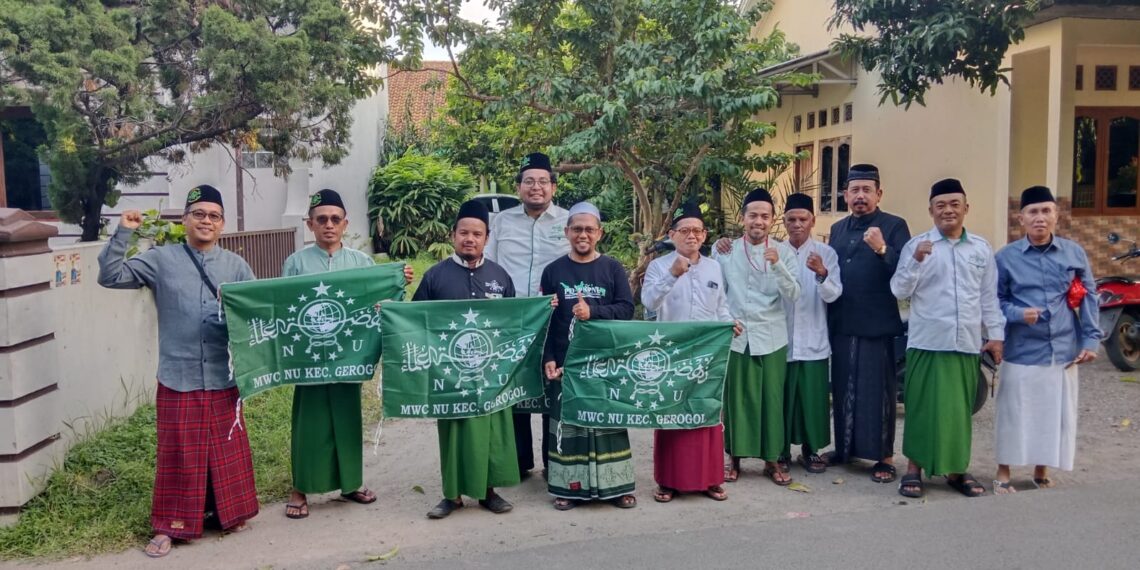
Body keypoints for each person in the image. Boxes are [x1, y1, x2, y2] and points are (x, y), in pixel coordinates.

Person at [98, 185, 258, 558]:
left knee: (226, 447)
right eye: (199, 214)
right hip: (178, 374)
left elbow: (257, 310)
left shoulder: (235, 265)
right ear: (185, 219)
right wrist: (124, 232)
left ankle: (228, 513)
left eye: (214, 216)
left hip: (224, 373)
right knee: (179, 452)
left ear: (222, 224)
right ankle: (170, 526)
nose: (206, 221)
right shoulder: (161, 260)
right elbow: (110, 276)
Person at [281, 189, 414, 519]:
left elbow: (379, 301)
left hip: (347, 356)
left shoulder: (361, 262)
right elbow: (283, 307)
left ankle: (351, 482)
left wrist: (399, 280)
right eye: (321, 219)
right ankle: (301, 486)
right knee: (308, 422)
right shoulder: (296, 262)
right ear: (310, 224)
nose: (329, 225)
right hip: (310, 357)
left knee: (347, 418)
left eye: (335, 219)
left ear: (345, 224)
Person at [890, 179, 1005, 498]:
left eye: (955, 204)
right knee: (921, 408)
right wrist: (916, 261)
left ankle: (957, 470)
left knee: (959, 410)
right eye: (940, 205)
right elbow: (898, 290)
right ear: (930, 211)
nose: (948, 210)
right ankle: (914, 468)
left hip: (965, 343)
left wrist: (995, 336)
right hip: (927, 341)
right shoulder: (918, 246)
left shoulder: (980, 248)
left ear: (966, 208)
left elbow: (988, 298)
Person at [413, 200, 520, 519]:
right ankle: (452, 496)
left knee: (490, 434)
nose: (469, 239)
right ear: (453, 235)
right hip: (450, 374)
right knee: (454, 433)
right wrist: (390, 310)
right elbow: (416, 319)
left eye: (477, 233)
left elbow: (514, 323)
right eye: (463, 233)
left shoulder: (500, 276)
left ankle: (488, 492)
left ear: (487, 238)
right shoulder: (435, 276)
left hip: (490, 375)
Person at [992, 186, 1100, 494]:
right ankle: (1004, 471)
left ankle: (1041, 469)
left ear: (1056, 215)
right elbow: (994, 301)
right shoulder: (1006, 257)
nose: (1040, 218)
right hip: (1022, 348)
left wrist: (1090, 341)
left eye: (1046, 211)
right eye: (1033, 212)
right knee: (1014, 412)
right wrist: (1017, 313)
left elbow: (1089, 295)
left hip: (1062, 347)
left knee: (1053, 412)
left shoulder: (1073, 252)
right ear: (1021, 218)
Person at [541, 202, 637, 510]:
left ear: (600, 233)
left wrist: (592, 311)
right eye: (577, 229)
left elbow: (626, 309)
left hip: (605, 361)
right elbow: (546, 319)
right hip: (567, 363)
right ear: (567, 232)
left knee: (608, 422)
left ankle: (617, 486)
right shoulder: (553, 271)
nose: (583, 234)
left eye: (589, 229)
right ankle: (567, 488)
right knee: (568, 427)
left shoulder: (612, 268)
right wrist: (549, 357)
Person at [641, 203, 739, 503]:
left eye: (698, 230)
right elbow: (649, 303)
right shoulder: (659, 266)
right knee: (672, 415)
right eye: (685, 230)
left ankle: (710, 479)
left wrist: (729, 323)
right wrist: (672, 274)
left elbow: (720, 306)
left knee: (707, 412)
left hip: (707, 353)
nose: (692, 236)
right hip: (673, 353)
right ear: (672, 235)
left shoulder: (713, 267)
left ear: (705, 235)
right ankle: (668, 481)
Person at [486, 152, 570, 479]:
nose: (536, 188)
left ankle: (555, 459)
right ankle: (519, 461)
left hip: (556, 316)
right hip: (513, 319)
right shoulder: (501, 222)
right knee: (515, 385)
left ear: (553, 186)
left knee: (553, 384)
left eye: (543, 182)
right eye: (529, 182)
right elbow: (487, 263)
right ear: (519, 187)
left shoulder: (567, 221)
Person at [826, 164, 911, 483]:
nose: (860, 196)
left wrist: (883, 250)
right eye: (854, 190)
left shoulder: (894, 226)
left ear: (879, 193)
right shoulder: (837, 228)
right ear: (845, 194)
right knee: (843, 388)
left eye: (867, 190)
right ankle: (844, 449)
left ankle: (884, 457)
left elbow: (907, 275)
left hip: (877, 323)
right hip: (843, 322)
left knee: (879, 392)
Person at [715, 188, 801, 486]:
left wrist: (776, 264)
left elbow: (794, 294)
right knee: (735, 400)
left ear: (772, 219)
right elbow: (718, 294)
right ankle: (734, 459)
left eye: (765, 216)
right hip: (736, 335)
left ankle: (772, 460)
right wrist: (727, 320)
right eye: (753, 215)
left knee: (771, 400)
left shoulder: (784, 251)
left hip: (771, 336)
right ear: (743, 218)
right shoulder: (725, 250)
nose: (759, 221)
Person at [781, 193, 842, 474]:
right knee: (782, 399)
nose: (797, 224)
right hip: (781, 341)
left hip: (814, 340)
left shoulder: (826, 254)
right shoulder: (775, 251)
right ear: (783, 221)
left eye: (802, 219)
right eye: (791, 219)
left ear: (812, 221)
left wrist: (821, 274)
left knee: (813, 400)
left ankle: (810, 450)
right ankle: (778, 450)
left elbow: (833, 295)